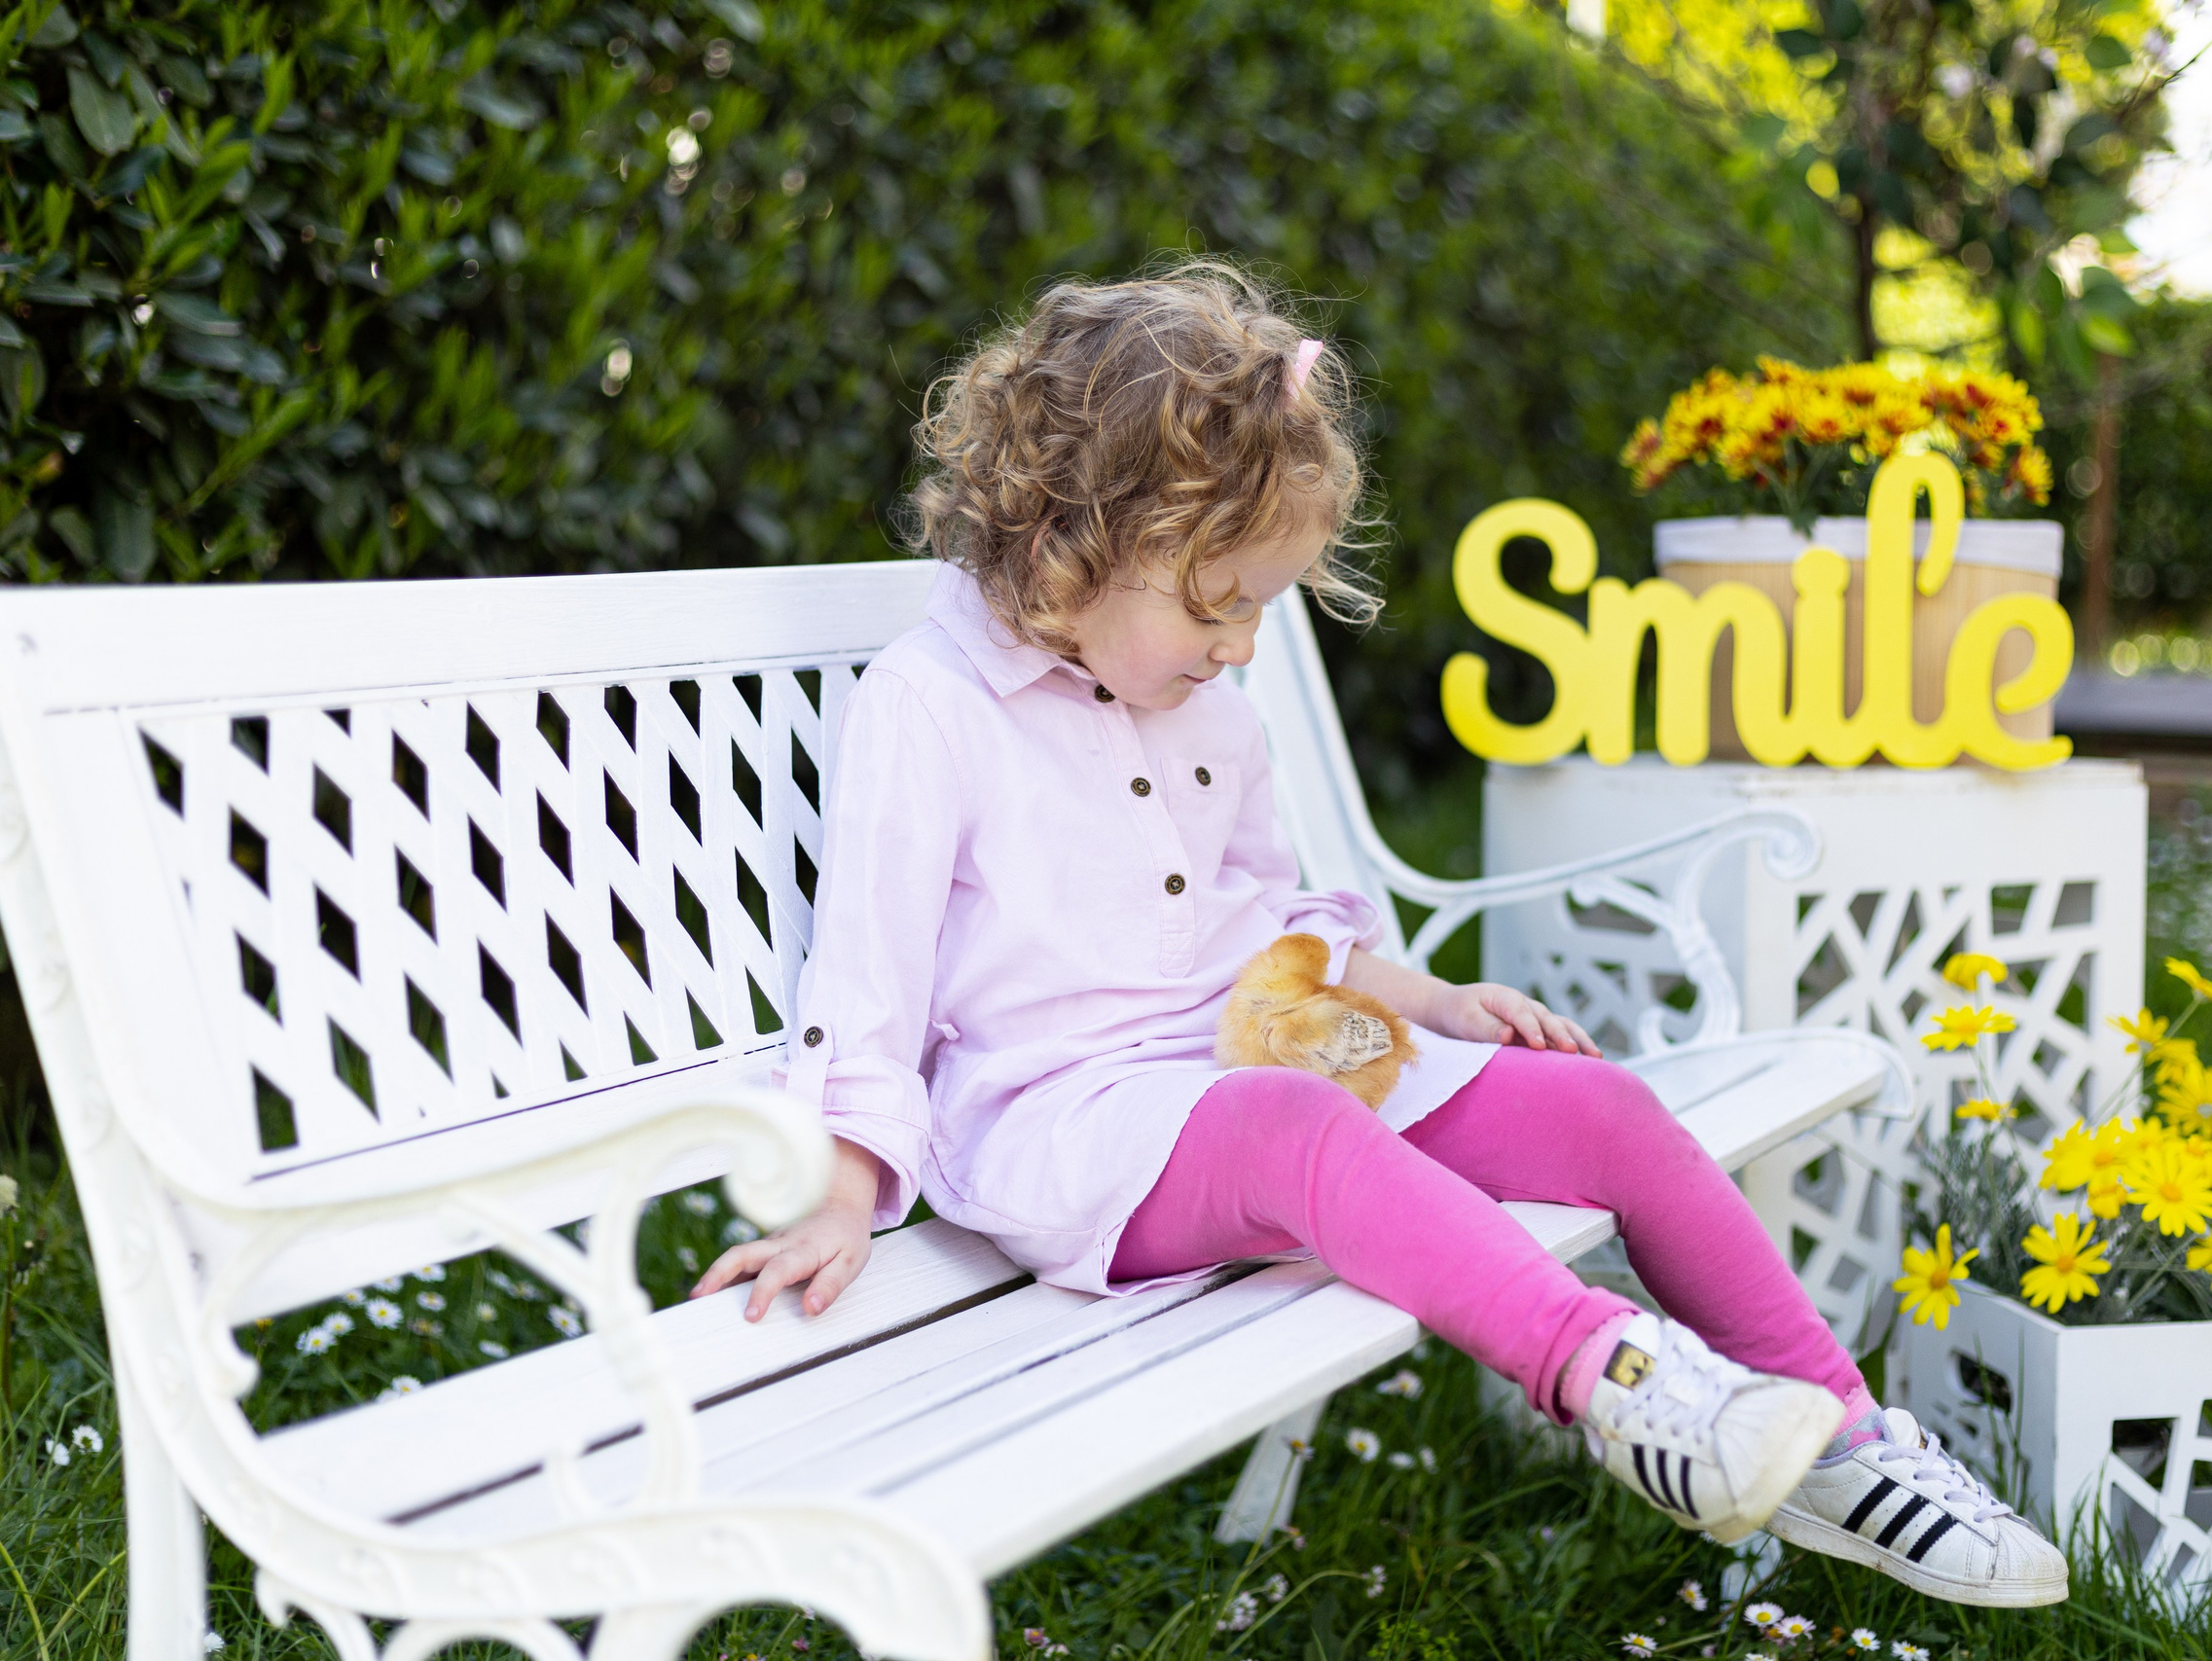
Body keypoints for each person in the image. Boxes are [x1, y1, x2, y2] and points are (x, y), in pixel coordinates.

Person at [692, 262, 2065, 1607]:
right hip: (1077, 1121)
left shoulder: (1207, 706)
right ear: (1070, 539)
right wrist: (845, 1189)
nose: (1240, 650)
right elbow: (865, 977)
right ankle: (1623, 1385)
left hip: (1256, 1045)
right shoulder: (931, 706)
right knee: (1299, 1133)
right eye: (1218, 604)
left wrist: (1423, 997)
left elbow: (1276, 917)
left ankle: (1842, 1441)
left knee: (1598, 1109)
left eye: (1260, 611)